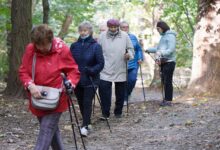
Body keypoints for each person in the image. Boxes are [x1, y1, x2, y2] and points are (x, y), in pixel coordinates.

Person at [19, 24, 80, 150]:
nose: (41, 48)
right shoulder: (31, 49)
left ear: (50, 40)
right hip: (38, 97)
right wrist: (30, 85)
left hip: (57, 98)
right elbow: (23, 71)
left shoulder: (61, 49)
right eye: (38, 45)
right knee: (51, 131)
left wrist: (70, 83)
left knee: (46, 130)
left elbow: (74, 71)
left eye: (44, 44)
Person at [70, 21, 104, 137]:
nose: (83, 32)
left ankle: (84, 126)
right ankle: (88, 122)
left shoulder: (96, 46)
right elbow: (69, 62)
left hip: (91, 79)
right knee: (80, 102)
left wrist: (91, 70)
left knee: (87, 102)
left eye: (85, 30)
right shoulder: (74, 46)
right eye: (81, 30)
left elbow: (100, 63)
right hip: (77, 79)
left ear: (90, 31)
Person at [98, 19, 134, 119]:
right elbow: (97, 50)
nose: (113, 29)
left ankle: (118, 111)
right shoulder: (102, 36)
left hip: (120, 66)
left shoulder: (124, 35)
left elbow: (131, 49)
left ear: (118, 26)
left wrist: (129, 55)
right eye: (111, 27)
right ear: (108, 27)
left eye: (115, 27)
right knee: (104, 91)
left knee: (120, 92)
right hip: (105, 68)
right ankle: (105, 113)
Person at [145, 21, 176, 106]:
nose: (158, 31)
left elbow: (170, 50)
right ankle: (166, 99)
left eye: (158, 29)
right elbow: (159, 49)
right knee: (164, 81)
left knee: (168, 81)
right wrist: (149, 50)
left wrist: (160, 53)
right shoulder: (163, 37)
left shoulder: (170, 36)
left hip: (169, 62)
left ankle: (168, 101)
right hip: (163, 62)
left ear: (162, 28)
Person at [120, 21, 144, 105]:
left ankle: (128, 94)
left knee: (132, 80)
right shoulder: (117, 38)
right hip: (121, 64)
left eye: (127, 27)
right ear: (120, 28)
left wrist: (140, 57)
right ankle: (124, 98)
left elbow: (138, 49)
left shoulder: (133, 37)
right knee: (122, 82)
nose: (125, 28)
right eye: (123, 27)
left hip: (133, 63)